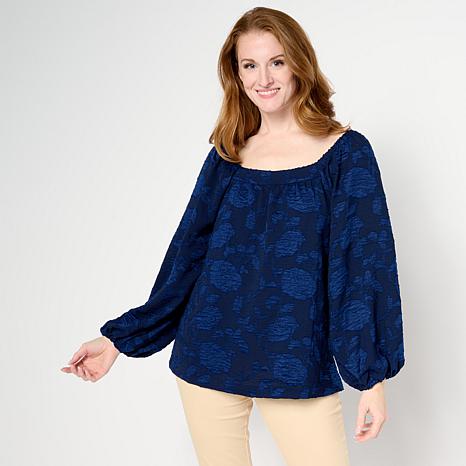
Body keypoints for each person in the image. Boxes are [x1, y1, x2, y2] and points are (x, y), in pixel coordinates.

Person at [61, 6, 406, 465]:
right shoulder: (227, 154)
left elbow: (361, 267)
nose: (264, 78)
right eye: (250, 65)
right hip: (208, 352)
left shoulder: (346, 154)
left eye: (276, 62)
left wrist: (371, 380)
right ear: (237, 75)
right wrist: (119, 340)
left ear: (299, 63)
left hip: (295, 360)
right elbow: (187, 258)